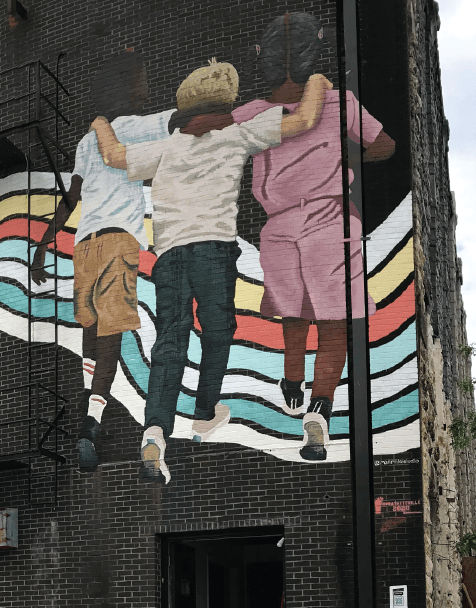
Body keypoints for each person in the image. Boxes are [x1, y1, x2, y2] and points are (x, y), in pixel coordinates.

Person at [93, 59, 328, 481]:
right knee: (218, 331)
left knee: (170, 343)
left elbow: (112, 155)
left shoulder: (165, 148)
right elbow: (307, 118)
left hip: (169, 257)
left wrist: (99, 122)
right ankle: (205, 409)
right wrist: (315, 80)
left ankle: (154, 433)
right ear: (226, 102)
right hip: (214, 252)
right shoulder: (237, 135)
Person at [230, 11, 396, 461]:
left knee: (292, 309)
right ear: (313, 53)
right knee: (334, 320)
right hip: (330, 218)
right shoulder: (337, 101)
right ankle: (319, 412)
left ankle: (291, 379)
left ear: (263, 58)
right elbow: (384, 145)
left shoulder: (248, 115)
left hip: (278, 223)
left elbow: (212, 137)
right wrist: (338, 167)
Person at [41, 48, 174, 472]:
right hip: (117, 242)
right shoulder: (135, 126)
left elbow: (71, 198)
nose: (146, 88)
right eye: (142, 81)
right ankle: (90, 424)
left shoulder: (85, 141)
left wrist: (44, 242)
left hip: (84, 245)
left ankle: (86, 411)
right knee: (111, 341)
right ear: (129, 88)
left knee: (91, 336)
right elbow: (177, 119)